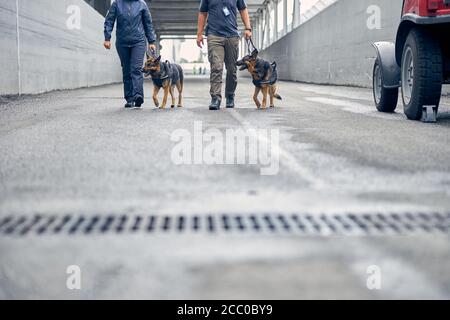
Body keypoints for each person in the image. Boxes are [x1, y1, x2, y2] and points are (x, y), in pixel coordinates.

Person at [197, 0, 252, 110]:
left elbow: (243, 9)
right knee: (216, 67)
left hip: (232, 36)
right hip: (214, 36)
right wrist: (199, 33)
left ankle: (230, 96)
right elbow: (202, 13)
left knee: (232, 69)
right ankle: (215, 98)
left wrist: (248, 28)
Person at [104, 0, 157, 109]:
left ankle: (138, 96)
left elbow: (148, 23)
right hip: (122, 43)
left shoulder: (142, 4)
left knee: (136, 68)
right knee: (126, 69)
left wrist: (151, 41)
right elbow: (109, 20)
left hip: (138, 42)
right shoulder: (117, 4)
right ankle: (129, 98)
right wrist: (107, 38)